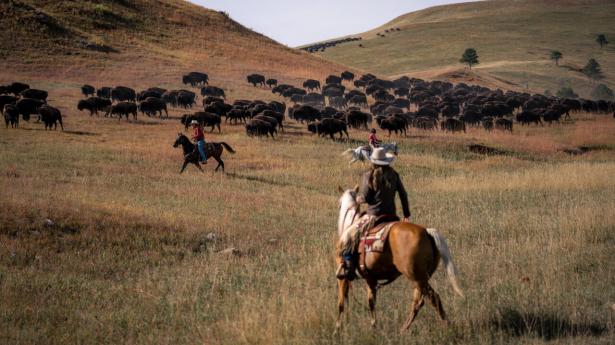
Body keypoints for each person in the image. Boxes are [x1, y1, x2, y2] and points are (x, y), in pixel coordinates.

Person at [336, 147, 411, 280]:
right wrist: (406, 214)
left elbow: (367, 198)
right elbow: (403, 195)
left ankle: (347, 264)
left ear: (373, 162)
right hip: (391, 216)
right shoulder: (394, 175)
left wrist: (358, 199)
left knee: (347, 236)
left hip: (373, 216)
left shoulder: (368, 175)